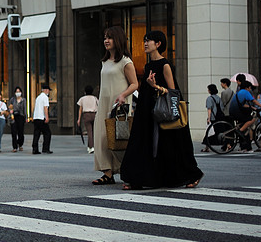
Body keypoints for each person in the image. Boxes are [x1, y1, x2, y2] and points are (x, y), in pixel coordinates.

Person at [119, 31, 203, 190]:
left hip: (163, 111)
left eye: (148, 41)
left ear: (158, 44)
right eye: (144, 40)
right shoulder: (148, 65)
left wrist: (154, 86)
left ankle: (192, 175)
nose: (145, 43)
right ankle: (137, 178)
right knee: (143, 142)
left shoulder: (165, 65)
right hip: (147, 111)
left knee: (169, 145)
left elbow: (173, 92)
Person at [92, 26, 139, 184]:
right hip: (104, 104)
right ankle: (107, 173)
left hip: (119, 106)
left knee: (119, 139)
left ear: (117, 40)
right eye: (105, 37)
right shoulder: (104, 61)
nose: (106, 40)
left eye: (110, 37)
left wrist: (123, 95)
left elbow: (134, 84)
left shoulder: (125, 61)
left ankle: (128, 170)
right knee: (101, 138)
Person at [76, 84, 98, 154]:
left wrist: (79, 119)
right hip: (94, 114)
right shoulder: (95, 98)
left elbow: (80, 109)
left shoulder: (82, 99)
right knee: (94, 132)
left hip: (86, 115)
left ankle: (91, 147)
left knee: (89, 132)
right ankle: (90, 146)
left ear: (85, 91)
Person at [200, 84, 223, 152]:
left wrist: (209, 118)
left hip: (213, 117)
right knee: (219, 131)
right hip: (219, 117)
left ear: (210, 90)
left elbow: (209, 109)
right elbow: (222, 107)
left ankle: (207, 147)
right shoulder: (218, 98)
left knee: (209, 132)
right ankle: (227, 144)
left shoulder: (209, 99)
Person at [31, 84, 52, 154]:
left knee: (36, 133)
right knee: (47, 133)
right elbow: (45, 108)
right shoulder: (45, 97)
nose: (49, 92)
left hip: (36, 117)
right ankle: (45, 148)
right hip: (41, 117)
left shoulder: (38, 97)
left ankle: (35, 149)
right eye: (48, 90)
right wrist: (47, 117)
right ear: (46, 90)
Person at [8, 87, 27, 152]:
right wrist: (10, 111)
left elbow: (25, 109)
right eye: (16, 92)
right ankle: (15, 146)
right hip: (14, 116)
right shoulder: (12, 99)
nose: (18, 93)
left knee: (21, 132)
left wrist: (26, 117)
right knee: (14, 132)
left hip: (21, 116)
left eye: (19, 91)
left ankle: (20, 144)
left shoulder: (23, 100)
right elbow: (9, 107)